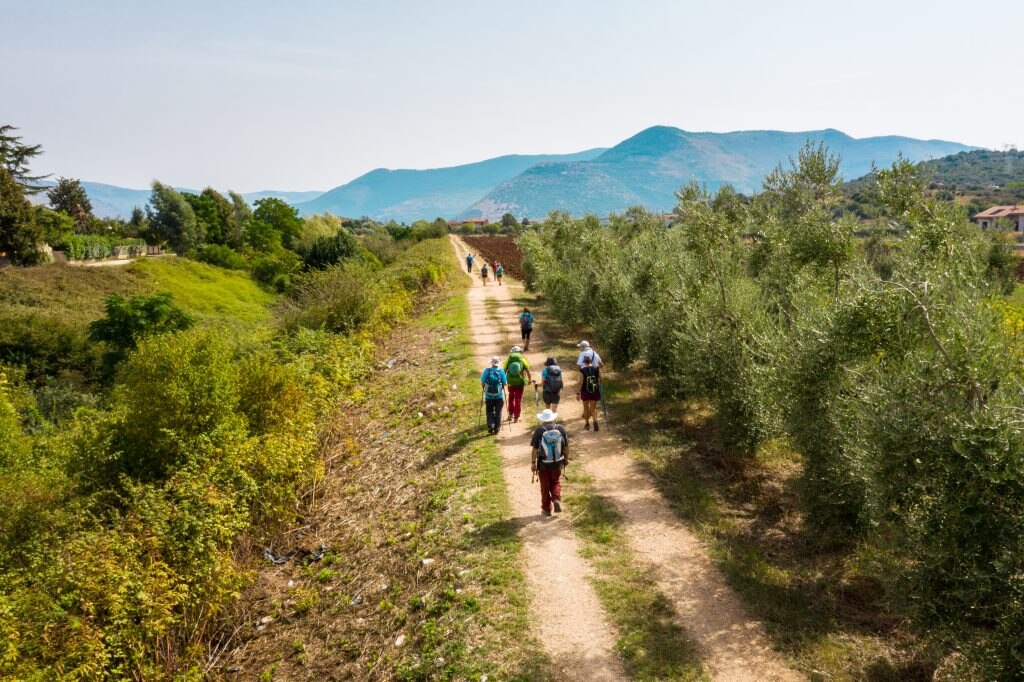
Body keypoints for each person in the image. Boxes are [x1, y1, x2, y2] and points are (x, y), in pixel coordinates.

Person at [531, 408, 569, 516]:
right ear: (553, 418)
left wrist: (533, 463)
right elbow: (566, 446)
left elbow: (534, 449)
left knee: (545, 486)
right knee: (555, 481)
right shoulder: (560, 428)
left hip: (544, 464)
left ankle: (546, 509)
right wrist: (566, 459)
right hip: (557, 462)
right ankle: (556, 499)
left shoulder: (539, 431)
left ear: (543, 419)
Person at [504, 345, 533, 423]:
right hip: (520, 382)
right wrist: (529, 380)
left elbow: (504, 371)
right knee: (518, 399)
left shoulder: (508, 359)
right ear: (519, 352)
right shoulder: (522, 359)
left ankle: (510, 414)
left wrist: (503, 382)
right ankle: (516, 417)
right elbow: (528, 371)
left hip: (510, 382)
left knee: (511, 397)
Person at [481, 356, 508, 434]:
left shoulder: (487, 371)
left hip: (489, 396)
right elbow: (505, 383)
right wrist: (501, 385)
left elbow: (482, 382)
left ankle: (491, 425)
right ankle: (497, 428)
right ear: (498, 364)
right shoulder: (501, 371)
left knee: (489, 411)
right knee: (498, 412)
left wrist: (485, 389)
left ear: (491, 363)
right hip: (499, 396)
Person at [577, 354, 601, 431]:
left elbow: (580, 382)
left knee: (586, 408)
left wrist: (578, 393)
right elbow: (601, 379)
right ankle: (595, 421)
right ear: (591, 361)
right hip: (595, 390)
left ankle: (587, 424)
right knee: (593, 408)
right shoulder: (597, 369)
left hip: (585, 391)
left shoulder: (582, 370)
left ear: (584, 362)